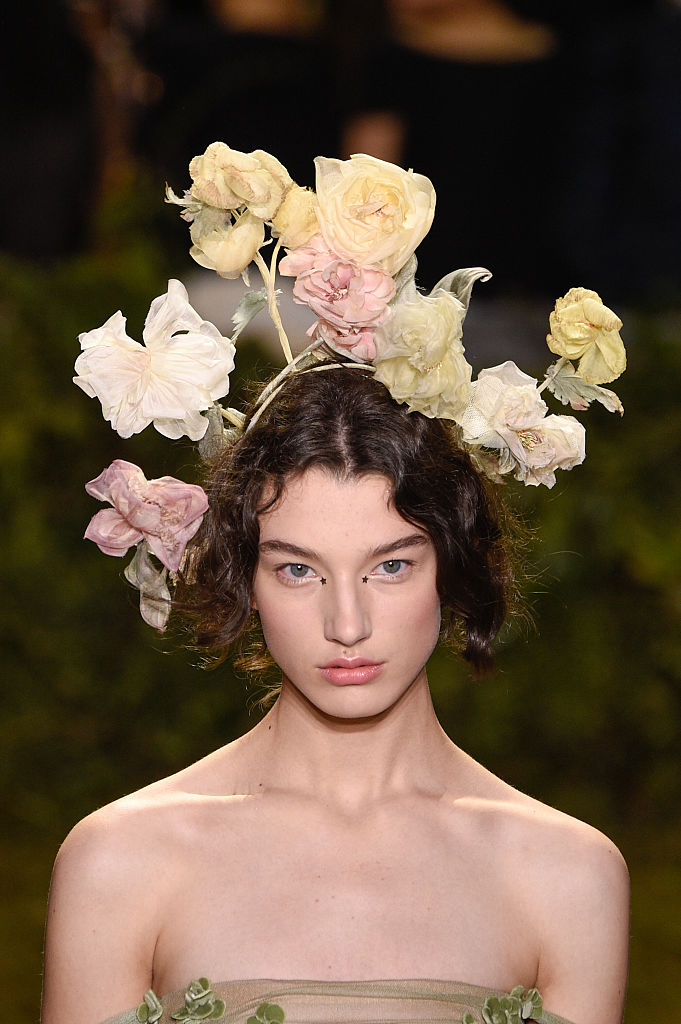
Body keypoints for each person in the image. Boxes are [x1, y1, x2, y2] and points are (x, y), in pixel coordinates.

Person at [42, 145, 630, 1024]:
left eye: (390, 565)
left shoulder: (566, 875)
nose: (346, 622)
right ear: (243, 575)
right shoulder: (123, 861)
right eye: (297, 569)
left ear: (456, 563)